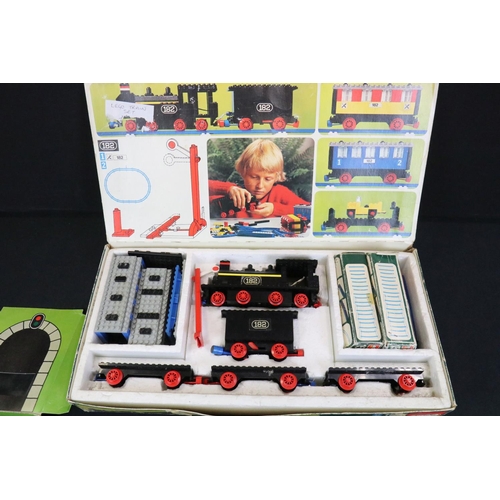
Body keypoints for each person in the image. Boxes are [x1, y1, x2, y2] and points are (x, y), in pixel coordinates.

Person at [209, 139, 310, 218]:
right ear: (243, 172)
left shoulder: (280, 193)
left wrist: (276, 209)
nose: (260, 186)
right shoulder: (234, 194)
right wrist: (228, 188)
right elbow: (201, 187)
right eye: (254, 177)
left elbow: (309, 211)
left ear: (276, 177)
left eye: (268, 179)